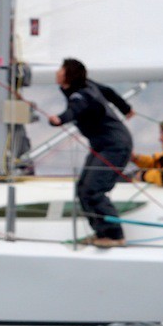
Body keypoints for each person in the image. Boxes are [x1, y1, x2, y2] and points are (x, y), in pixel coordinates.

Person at [47, 57, 133, 248]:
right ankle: (101, 233)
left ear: (67, 75)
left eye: (61, 69)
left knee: (94, 189)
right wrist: (125, 108)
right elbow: (109, 92)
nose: (57, 72)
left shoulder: (81, 95)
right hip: (103, 145)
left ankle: (115, 236)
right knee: (83, 189)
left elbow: (74, 110)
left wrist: (59, 120)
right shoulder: (86, 85)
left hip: (114, 146)